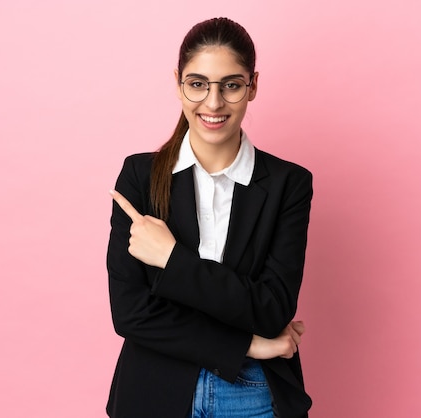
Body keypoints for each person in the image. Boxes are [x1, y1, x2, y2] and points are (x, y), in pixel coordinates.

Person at [106, 17, 313, 418]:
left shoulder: (290, 184)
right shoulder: (139, 177)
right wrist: (247, 344)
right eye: (198, 83)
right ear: (179, 83)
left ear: (252, 85)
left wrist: (172, 259)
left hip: (253, 391)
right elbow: (130, 313)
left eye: (231, 85)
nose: (213, 103)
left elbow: (272, 310)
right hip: (153, 389)